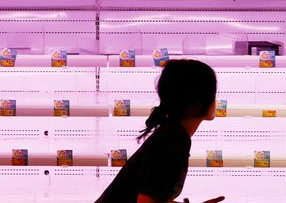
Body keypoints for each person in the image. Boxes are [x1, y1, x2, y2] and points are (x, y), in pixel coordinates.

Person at [95, 59, 225, 203]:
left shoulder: (171, 133)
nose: (215, 100)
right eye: (213, 93)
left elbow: (154, 196)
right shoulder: (175, 141)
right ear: (197, 102)